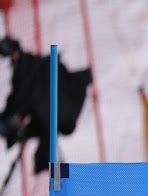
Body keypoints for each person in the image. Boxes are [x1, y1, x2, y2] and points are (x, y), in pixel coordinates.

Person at [0, 36, 92, 175]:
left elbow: (18, 101)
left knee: (44, 138)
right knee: (46, 137)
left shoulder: (26, 74)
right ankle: (56, 180)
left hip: (53, 119)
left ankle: (51, 177)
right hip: (62, 117)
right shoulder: (41, 65)